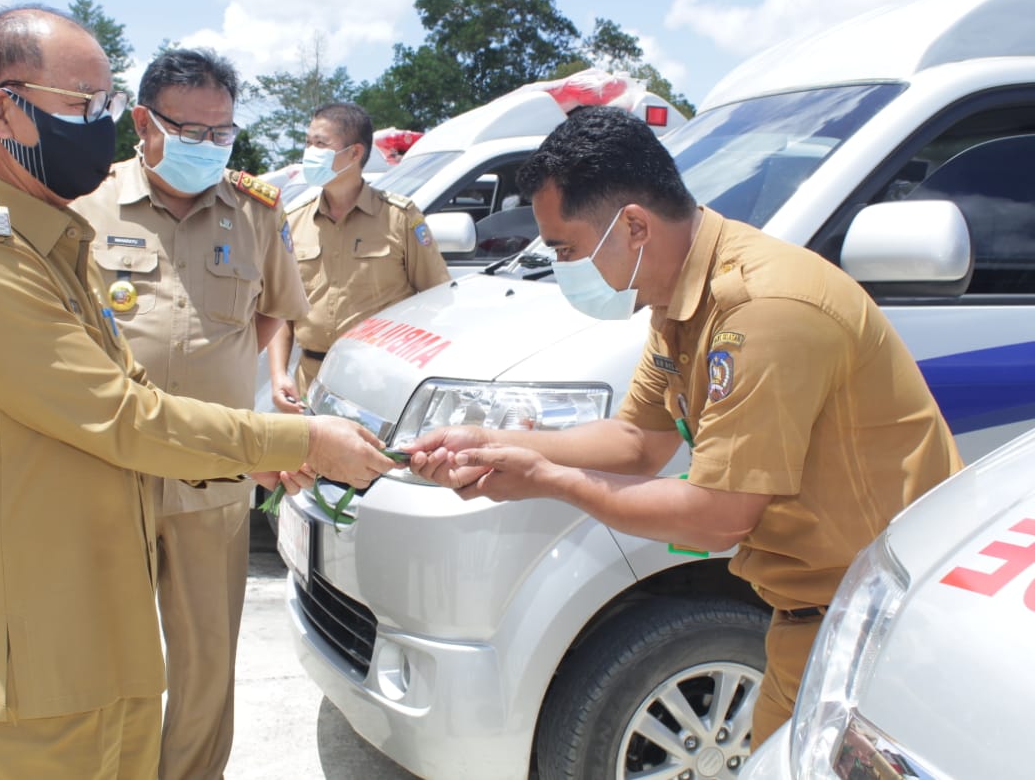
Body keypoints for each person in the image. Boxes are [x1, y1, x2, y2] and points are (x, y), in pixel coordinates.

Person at [0, 5, 394, 779]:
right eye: (81, 106)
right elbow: (124, 413)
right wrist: (301, 441)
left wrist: (250, 453)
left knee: (200, 678)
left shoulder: (49, 239)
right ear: (5, 110)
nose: (95, 128)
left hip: (88, 647)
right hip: (35, 673)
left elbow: (137, 381)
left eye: (101, 104)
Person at [406, 106, 962, 747]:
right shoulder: (675, 300)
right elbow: (638, 441)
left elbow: (717, 517)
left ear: (634, 226)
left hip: (884, 633)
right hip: (817, 619)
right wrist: (499, 442)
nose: (561, 268)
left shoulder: (762, 309)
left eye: (566, 250)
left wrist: (548, 479)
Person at [73, 47, 307, 780]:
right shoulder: (85, 205)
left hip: (213, 478)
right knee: (109, 654)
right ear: (142, 121)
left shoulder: (256, 212)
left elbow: (274, 315)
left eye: (223, 133)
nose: (210, 148)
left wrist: (228, 375)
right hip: (113, 474)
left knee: (207, 661)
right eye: (191, 131)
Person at [268, 103, 450, 412]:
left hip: (378, 386)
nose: (310, 151)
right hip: (309, 383)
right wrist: (277, 375)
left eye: (321, 144)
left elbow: (438, 301)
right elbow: (279, 311)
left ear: (354, 154)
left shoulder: (399, 218)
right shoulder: (294, 221)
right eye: (308, 143)